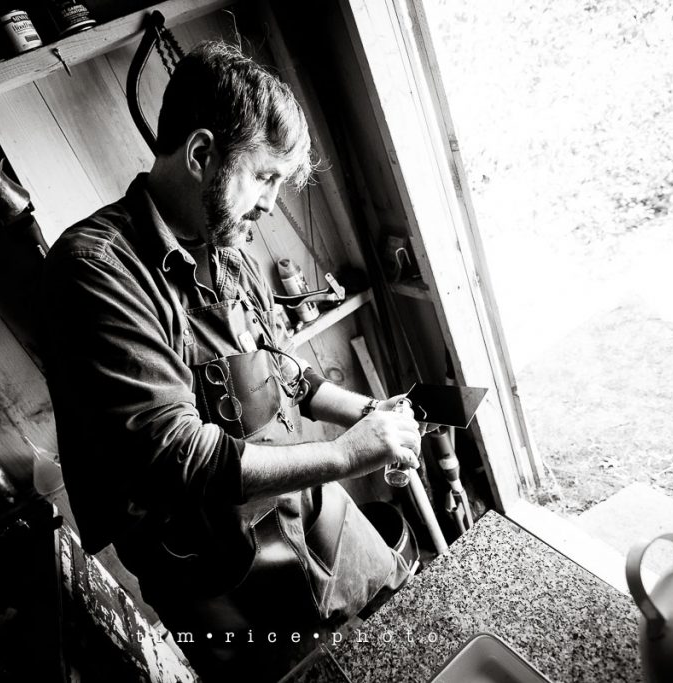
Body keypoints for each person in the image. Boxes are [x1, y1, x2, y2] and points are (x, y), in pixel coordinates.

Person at [42, 41, 422, 681]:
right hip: (215, 568)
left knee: (398, 633)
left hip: (307, 504)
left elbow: (283, 370)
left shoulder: (226, 246)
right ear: (201, 155)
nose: (271, 203)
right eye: (266, 177)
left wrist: (370, 415)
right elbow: (178, 455)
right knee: (303, 675)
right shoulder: (96, 272)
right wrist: (346, 455)